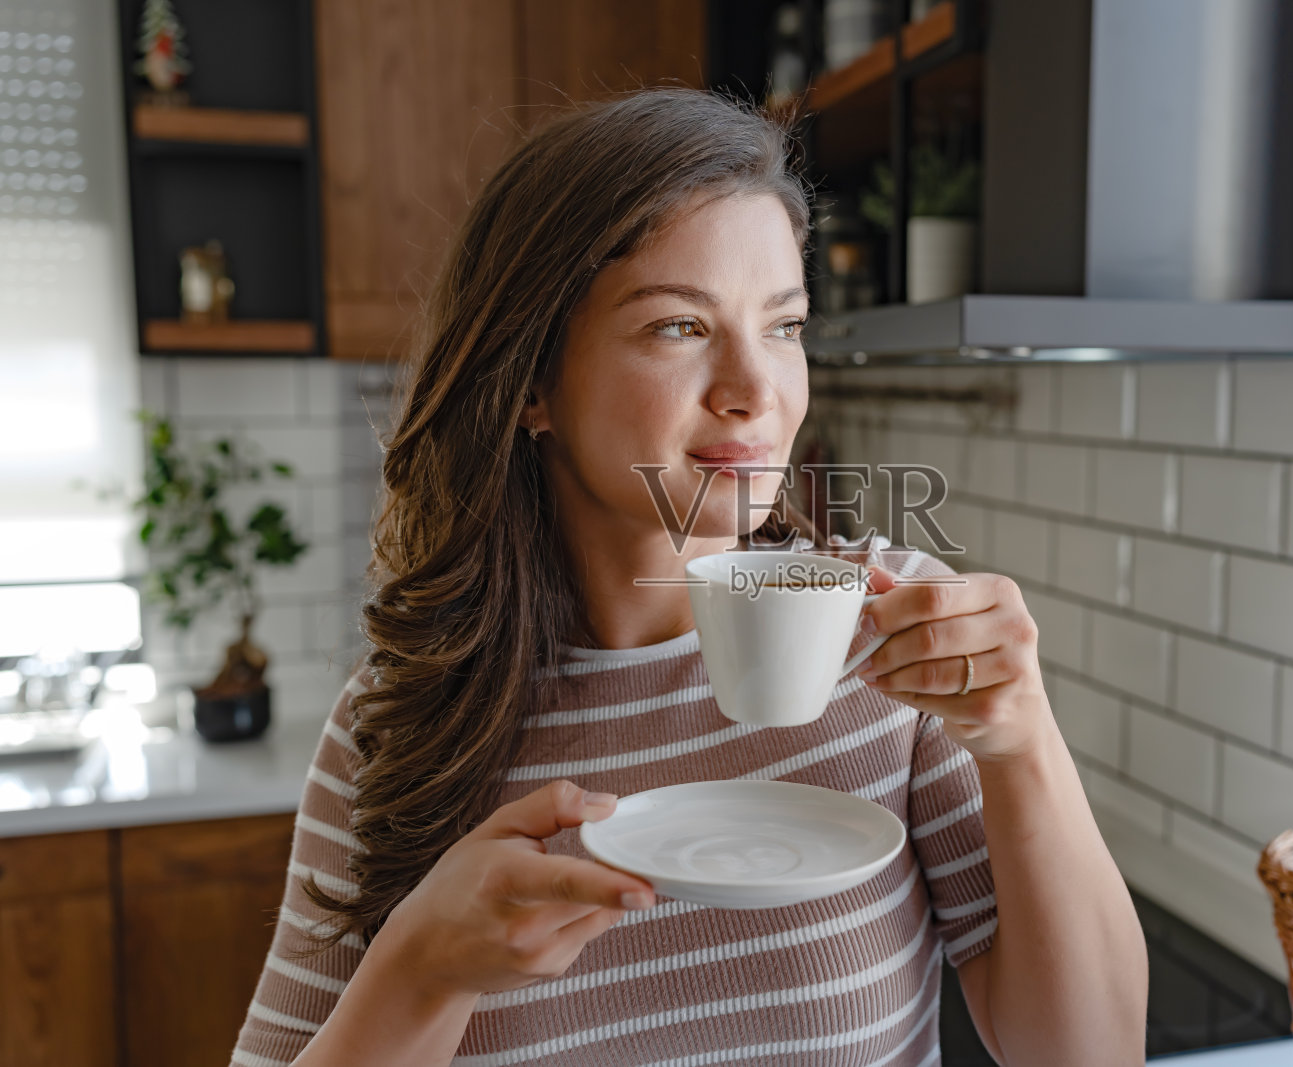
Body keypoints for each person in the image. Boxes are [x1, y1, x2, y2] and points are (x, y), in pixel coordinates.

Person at [230, 88, 1146, 1067]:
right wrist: (418, 971)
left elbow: (1086, 1054)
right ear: (533, 384)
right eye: (678, 327)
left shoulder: (894, 640)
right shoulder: (398, 722)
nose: (758, 390)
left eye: (784, 327)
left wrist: (1023, 742)